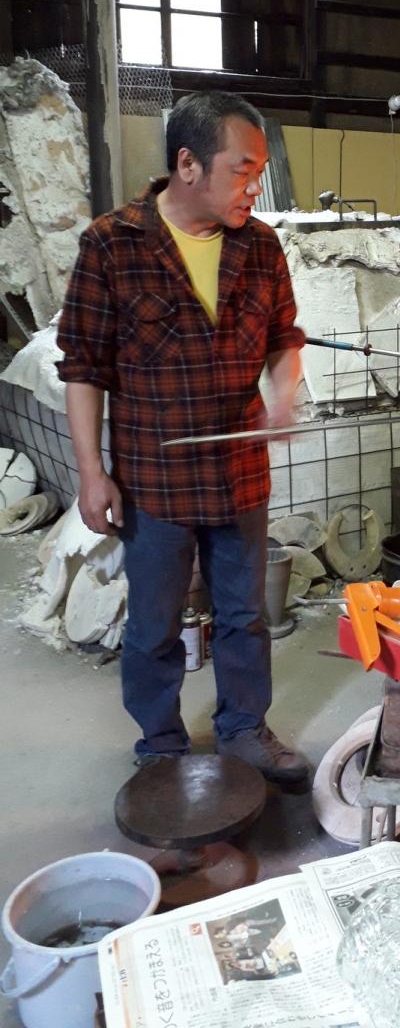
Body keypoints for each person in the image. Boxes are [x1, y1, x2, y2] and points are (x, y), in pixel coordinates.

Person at [57, 90, 308, 783]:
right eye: (241, 170)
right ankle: (161, 743)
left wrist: (283, 397)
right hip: (155, 477)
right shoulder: (112, 244)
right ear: (188, 164)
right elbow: (82, 368)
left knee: (244, 616)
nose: (253, 187)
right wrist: (91, 473)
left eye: (259, 172)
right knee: (154, 624)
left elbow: (285, 338)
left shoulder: (259, 245)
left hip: (239, 472)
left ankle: (243, 729)